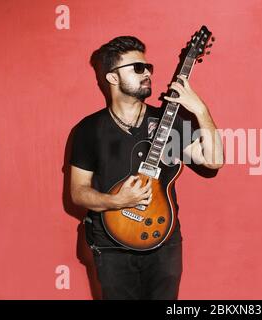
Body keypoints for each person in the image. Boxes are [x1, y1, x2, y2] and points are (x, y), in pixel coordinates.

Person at [69, 36, 224, 300]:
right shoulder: (88, 130)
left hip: (163, 241)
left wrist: (199, 109)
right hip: (110, 245)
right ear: (112, 78)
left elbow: (214, 160)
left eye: (148, 67)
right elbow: (78, 192)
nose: (147, 73)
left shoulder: (169, 122)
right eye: (138, 68)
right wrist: (115, 200)